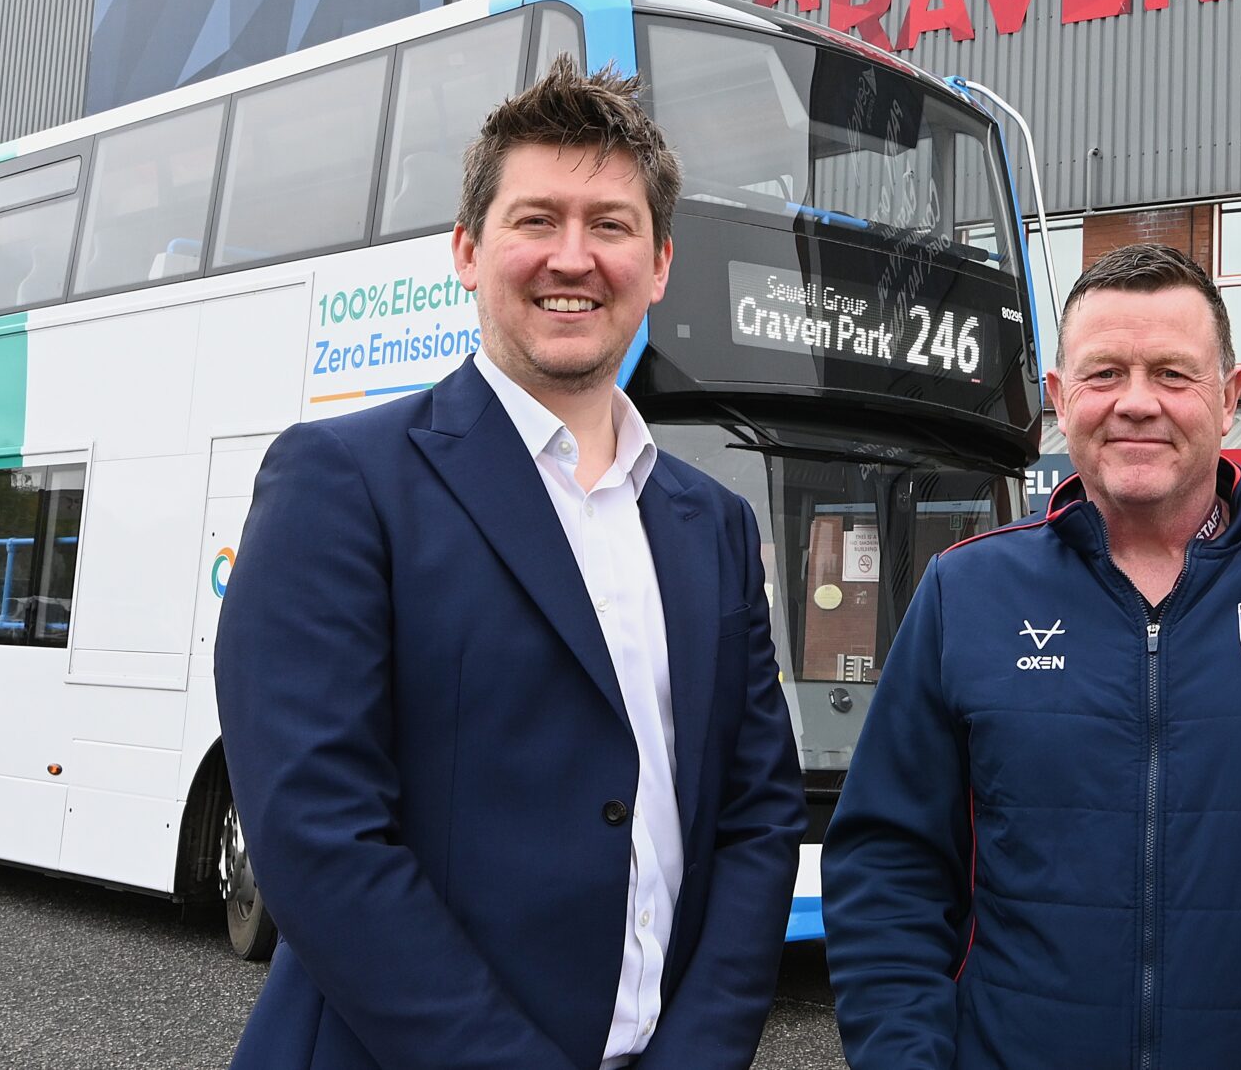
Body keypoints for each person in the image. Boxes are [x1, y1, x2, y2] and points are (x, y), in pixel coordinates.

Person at [216, 57, 804, 1070]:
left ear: (658, 264)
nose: (572, 255)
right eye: (536, 219)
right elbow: (318, 834)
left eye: (610, 225)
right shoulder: (340, 479)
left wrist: (700, 1053)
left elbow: (756, 816)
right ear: (467, 250)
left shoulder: (713, 521)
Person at [824, 241, 1241, 1070]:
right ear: (1059, 398)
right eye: (1103, 374)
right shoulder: (963, 594)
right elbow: (888, 867)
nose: (1136, 403)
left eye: (1171, 373)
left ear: (1228, 398)